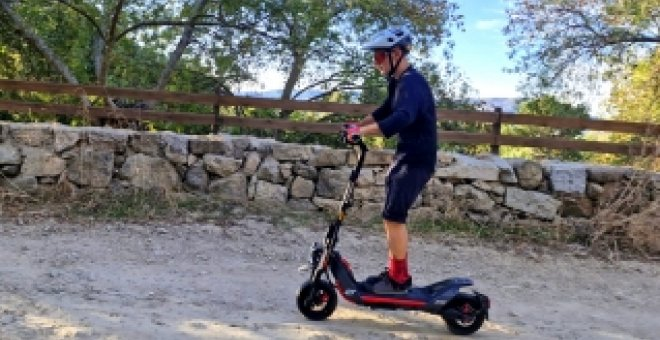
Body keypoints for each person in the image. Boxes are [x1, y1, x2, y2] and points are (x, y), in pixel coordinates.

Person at [344, 27, 437, 293]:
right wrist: (356, 125)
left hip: (416, 159)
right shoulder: (399, 82)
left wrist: (360, 133)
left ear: (395, 53)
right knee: (390, 216)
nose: (376, 64)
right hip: (407, 156)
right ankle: (395, 273)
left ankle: (398, 280)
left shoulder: (412, 83)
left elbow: (402, 118)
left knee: (394, 217)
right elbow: (386, 110)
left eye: (378, 57)